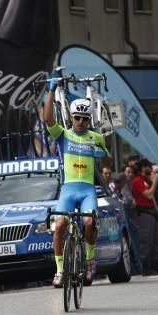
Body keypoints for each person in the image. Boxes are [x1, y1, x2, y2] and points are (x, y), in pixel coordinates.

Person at [43, 78, 110, 288]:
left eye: (84, 118)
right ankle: (60, 270)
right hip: (69, 189)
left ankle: (90, 261)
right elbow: (47, 119)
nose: (80, 121)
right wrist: (51, 91)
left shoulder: (96, 137)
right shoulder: (63, 134)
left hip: (87, 189)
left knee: (89, 222)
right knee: (60, 225)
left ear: (89, 120)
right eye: (77, 117)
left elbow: (108, 160)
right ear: (71, 117)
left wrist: (100, 153)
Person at [131, 159, 158, 276]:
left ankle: (156, 265)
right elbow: (149, 194)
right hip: (144, 213)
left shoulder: (147, 181)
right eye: (149, 167)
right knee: (147, 241)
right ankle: (146, 267)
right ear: (143, 168)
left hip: (152, 213)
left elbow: (153, 199)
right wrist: (155, 182)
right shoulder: (138, 181)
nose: (151, 170)